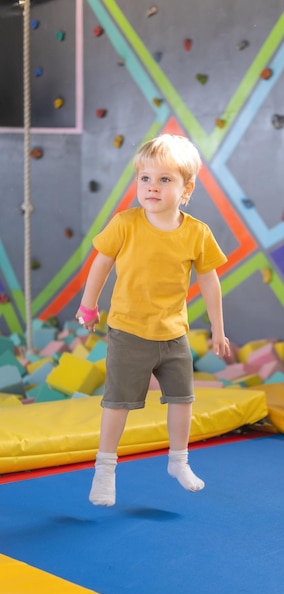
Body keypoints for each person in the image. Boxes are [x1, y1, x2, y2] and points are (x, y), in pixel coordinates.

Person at [76, 134, 230, 506]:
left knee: (183, 399)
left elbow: (210, 281)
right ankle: (105, 468)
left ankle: (179, 461)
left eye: (165, 180)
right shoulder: (126, 223)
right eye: (145, 179)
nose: (152, 187)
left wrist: (218, 330)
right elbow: (101, 263)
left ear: (186, 189)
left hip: (173, 333)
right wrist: (88, 305)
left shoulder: (197, 233)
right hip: (129, 331)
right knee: (117, 403)